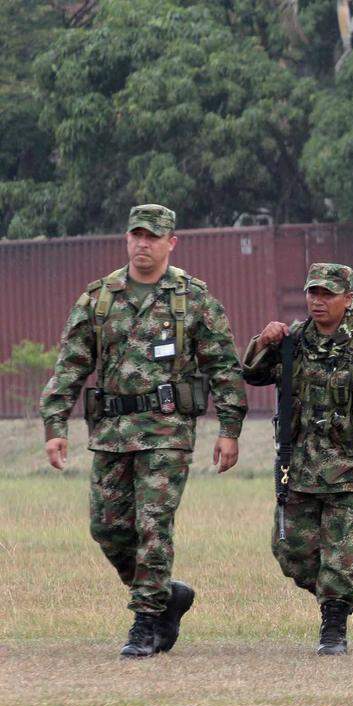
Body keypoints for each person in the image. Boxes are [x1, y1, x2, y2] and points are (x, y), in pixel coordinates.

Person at [40, 204, 248, 658]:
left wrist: (229, 428)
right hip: (112, 432)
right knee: (108, 528)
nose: (143, 244)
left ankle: (144, 624)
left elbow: (224, 367)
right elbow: (71, 364)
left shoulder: (192, 299)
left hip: (167, 432)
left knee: (153, 526)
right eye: (136, 235)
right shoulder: (99, 298)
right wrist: (56, 424)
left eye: (153, 237)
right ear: (127, 239)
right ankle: (166, 596)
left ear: (171, 242)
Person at [242, 263, 353, 656]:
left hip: (352, 467)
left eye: (327, 294)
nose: (318, 301)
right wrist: (263, 341)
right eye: (313, 293)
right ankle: (336, 592)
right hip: (298, 467)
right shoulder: (294, 340)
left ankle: (334, 624)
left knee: (341, 553)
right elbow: (253, 374)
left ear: (348, 298)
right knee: (290, 550)